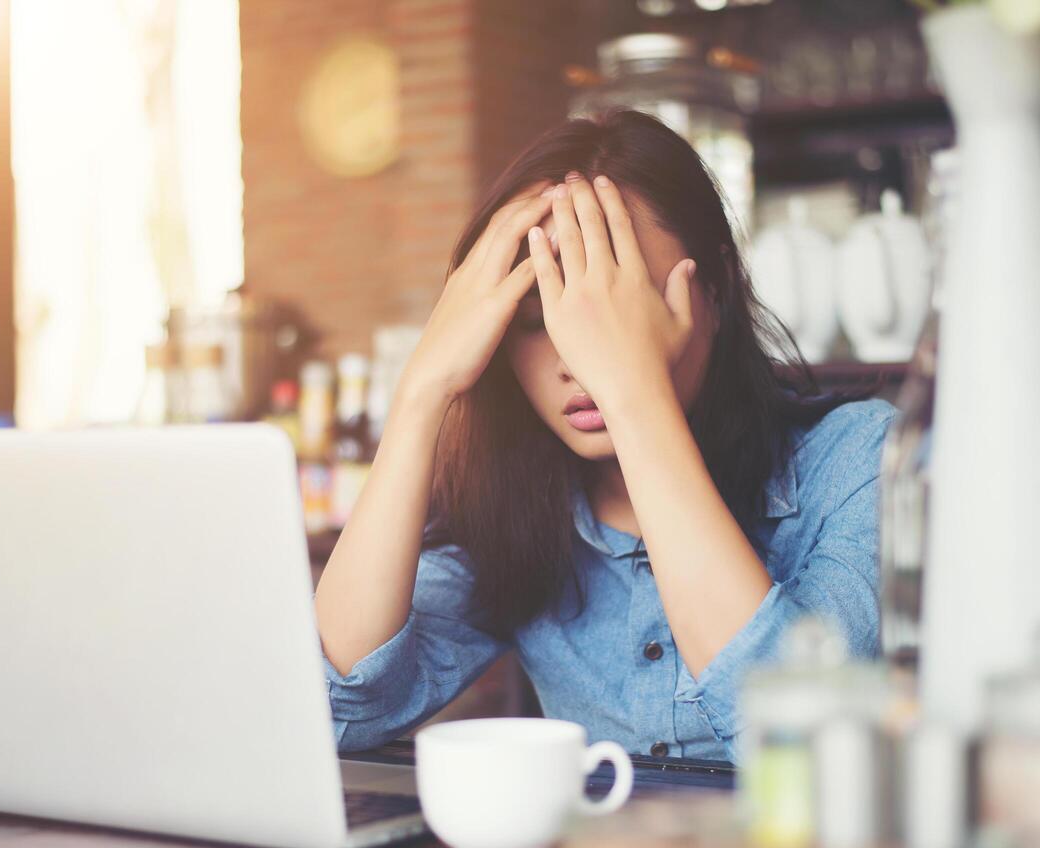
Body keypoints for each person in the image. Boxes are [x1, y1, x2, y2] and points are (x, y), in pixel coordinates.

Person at [315, 109, 894, 762]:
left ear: (716, 291)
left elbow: (808, 748)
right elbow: (336, 712)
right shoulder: (516, 512)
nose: (575, 355)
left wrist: (635, 397)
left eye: (615, 308)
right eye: (535, 319)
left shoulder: (859, 459)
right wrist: (421, 393)